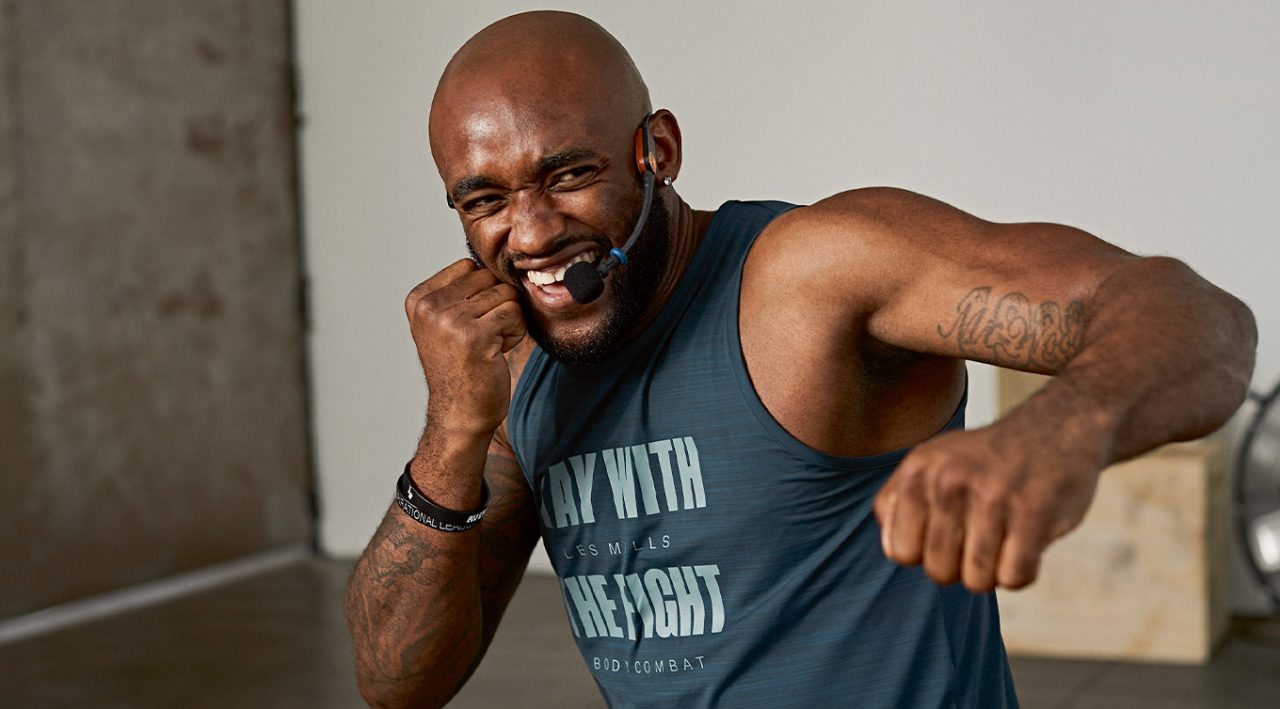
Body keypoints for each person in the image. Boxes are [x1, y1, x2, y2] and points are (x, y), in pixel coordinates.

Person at [343, 10, 1257, 708]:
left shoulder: (811, 277)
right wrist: (449, 433)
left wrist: (1065, 428)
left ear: (656, 150)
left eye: (569, 174)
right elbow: (396, 682)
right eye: (485, 200)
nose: (533, 231)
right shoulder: (515, 370)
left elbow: (1203, 323)